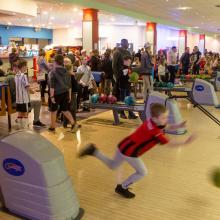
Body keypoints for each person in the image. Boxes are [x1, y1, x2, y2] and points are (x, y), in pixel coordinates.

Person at [78, 103, 196, 199]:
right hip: (130, 152)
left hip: (123, 145)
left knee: (113, 165)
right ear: (155, 118)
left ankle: (93, 151)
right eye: (164, 117)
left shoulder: (152, 121)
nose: (166, 120)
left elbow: (166, 126)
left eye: (166, 117)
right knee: (142, 172)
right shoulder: (155, 132)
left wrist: (179, 125)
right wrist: (186, 142)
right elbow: (170, 144)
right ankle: (122, 187)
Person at [49, 54, 79, 132]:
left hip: (56, 94)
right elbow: (69, 85)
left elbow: (52, 86)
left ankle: (52, 127)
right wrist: (69, 96)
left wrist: (52, 97)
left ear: (55, 62)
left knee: (53, 110)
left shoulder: (53, 72)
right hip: (65, 93)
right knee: (65, 109)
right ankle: (73, 124)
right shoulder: (67, 71)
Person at [63, 57, 80, 128]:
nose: (71, 64)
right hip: (70, 93)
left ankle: (66, 123)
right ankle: (74, 123)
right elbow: (69, 85)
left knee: (67, 108)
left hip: (70, 92)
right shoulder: (67, 73)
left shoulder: (69, 72)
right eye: (69, 62)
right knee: (72, 109)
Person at [14, 59, 30, 129]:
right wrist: (33, 91)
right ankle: (25, 128)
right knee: (25, 113)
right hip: (24, 98)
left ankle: (20, 127)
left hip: (18, 99)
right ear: (23, 66)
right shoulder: (24, 76)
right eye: (26, 66)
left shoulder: (16, 75)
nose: (27, 67)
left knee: (20, 113)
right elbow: (27, 87)